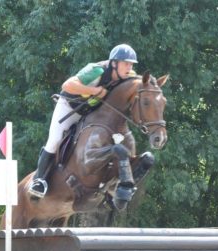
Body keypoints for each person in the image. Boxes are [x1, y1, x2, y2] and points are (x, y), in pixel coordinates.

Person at [28, 44, 139, 198]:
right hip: (70, 107)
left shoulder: (128, 76)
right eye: (126, 63)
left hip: (91, 113)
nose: (129, 67)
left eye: (131, 64)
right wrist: (95, 91)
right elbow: (67, 85)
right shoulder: (96, 70)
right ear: (114, 63)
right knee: (55, 140)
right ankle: (39, 180)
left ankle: (114, 182)